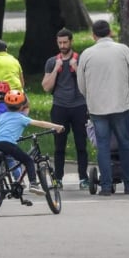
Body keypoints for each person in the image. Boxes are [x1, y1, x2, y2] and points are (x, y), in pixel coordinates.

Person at [76, 19, 129, 196]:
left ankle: (105, 185)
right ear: (110, 32)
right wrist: (126, 93)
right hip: (120, 104)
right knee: (125, 144)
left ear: (93, 35)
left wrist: (90, 97)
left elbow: (81, 84)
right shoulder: (123, 50)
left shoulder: (87, 54)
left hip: (97, 107)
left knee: (103, 146)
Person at [0, 90, 63, 196]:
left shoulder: (1, 116)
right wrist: (57, 127)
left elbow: (2, 130)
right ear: (22, 107)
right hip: (8, 144)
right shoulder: (21, 118)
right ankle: (33, 184)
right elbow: (40, 123)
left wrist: (16, 136)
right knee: (28, 161)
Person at [41, 28, 90, 189]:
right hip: (59, 107)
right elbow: (46, 87)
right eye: (60, 42)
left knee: (81, 144)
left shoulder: (80, 59)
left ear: (71, 42)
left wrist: (76, 68)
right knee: (59, 145)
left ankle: (83, 178)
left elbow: (89, 84)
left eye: (65, 42)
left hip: (79, 106)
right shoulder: (51, 62)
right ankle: (58, 178)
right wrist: (56, 69)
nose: (62, 45)